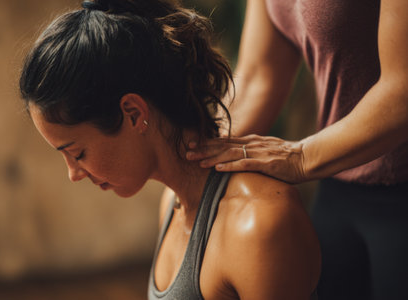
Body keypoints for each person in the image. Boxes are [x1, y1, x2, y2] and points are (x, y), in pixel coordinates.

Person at [19, 0, 321, 299]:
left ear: (134, 113)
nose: (73, 174)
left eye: (77, 153)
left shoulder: (259, 225)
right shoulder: (172, 203)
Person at [186, 0, 408, 299]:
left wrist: (299, 157)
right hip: (338, 187)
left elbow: (402, 92)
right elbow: (258, 77)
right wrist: (195, 155)